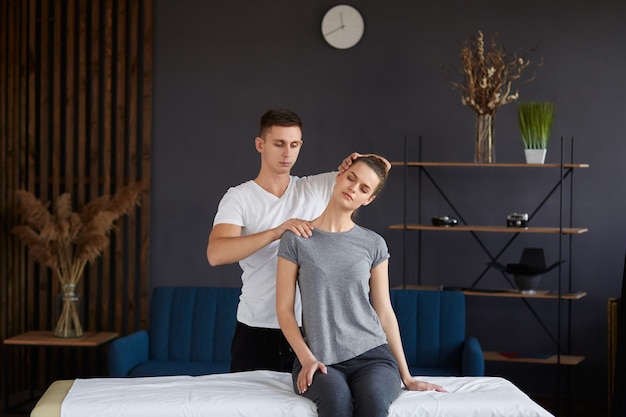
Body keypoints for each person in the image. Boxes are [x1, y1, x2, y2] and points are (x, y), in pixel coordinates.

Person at [276, 155, 446, 417]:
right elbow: (285, 310)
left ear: (368, 199)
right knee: (337, 402)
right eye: (351, 178)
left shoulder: (373, 244)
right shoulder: (297, 238)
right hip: (319, 357)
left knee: (373, 405)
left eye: (364, 188)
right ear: (339, 177)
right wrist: (307, 358)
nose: (353, 188)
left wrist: (407, 376)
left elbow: (384, 312)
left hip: (373, 356)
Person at [207, 108, 360, 373]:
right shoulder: (239, 197)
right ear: (260, 144)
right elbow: (216, 253)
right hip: (255, 329)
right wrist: (277, 231)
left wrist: (357, 162)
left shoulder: (316, 187)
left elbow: (382, 168)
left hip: (309, 331)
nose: (287, 153)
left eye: (294, 144)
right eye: (279, 144)